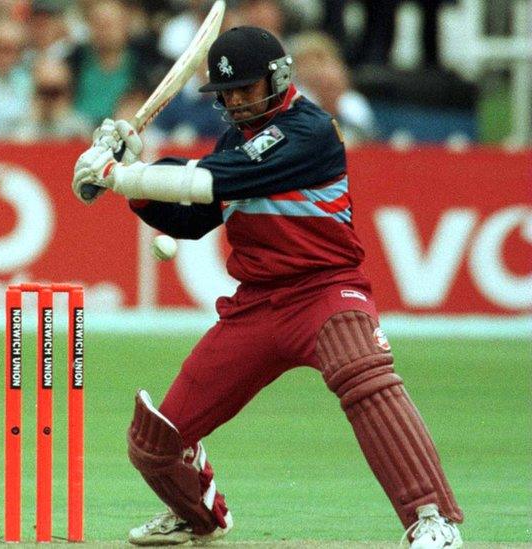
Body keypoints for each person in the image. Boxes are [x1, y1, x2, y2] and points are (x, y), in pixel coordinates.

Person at [71, 26, 464, 548]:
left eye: (245, 90)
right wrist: (128, 184)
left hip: (326, 290)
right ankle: (199, 517)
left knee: (362, 373)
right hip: (256, 305)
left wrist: (125, 173)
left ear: (278, 78)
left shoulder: (311, 129)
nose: (234, 102)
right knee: (154, 442)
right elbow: (191, 219)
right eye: (225, 94)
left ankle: (430, 518)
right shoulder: (236, 139)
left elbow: (213, 181)